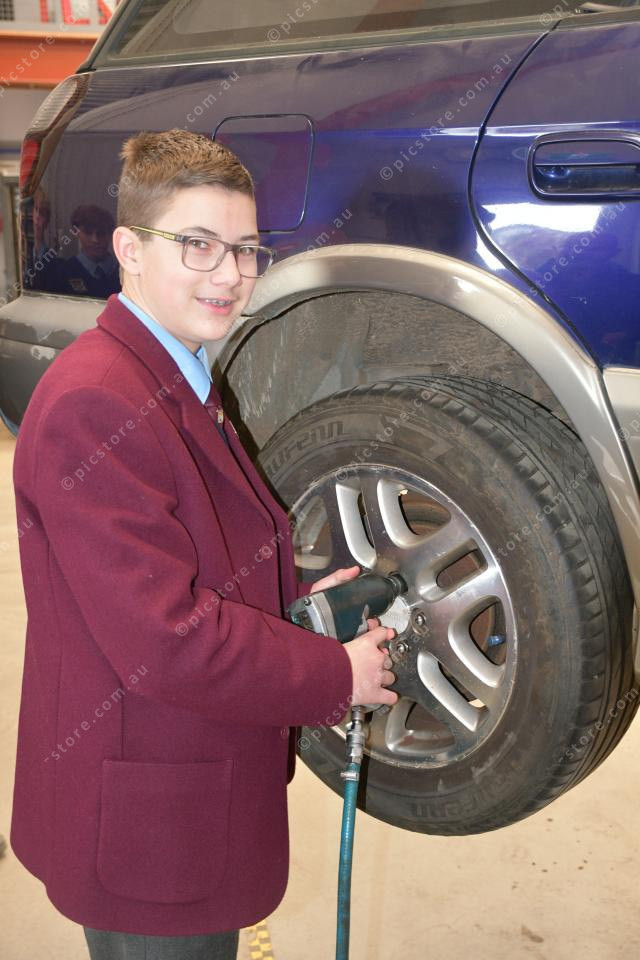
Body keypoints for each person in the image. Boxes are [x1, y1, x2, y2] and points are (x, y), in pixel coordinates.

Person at [10, 129, 398, 960]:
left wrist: (294, 597)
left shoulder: (173, 370)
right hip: (146, 829)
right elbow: (167, 641)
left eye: (245, 248)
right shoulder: (96, 402)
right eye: (197, 244)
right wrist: (335, 675)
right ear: (129, 250)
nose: (230, 274)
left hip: (177, 790)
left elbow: (186, 557)